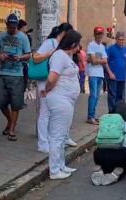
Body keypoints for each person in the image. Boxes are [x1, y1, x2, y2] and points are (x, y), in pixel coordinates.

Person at [44, 30, 82, 180]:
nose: (79, 47)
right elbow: (52, 77)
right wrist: (47, 90)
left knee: (62, 136)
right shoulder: (59, 56)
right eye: (78, 44)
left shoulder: (65, 56)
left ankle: (61, 165)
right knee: (57, 137)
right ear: (72, 43)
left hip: (66, 100)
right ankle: (54, 170)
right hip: (60, 99)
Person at [33, 23, 76, 153]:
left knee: (53, 114)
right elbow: (35, 57)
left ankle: (56, 140)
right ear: (64, 33)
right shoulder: (51, 42)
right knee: (45, 113)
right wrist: (49, 53)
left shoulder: (63, 47)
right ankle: (43, 143)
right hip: (45, 81)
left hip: (55, 84)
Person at [0, 14, 31, 141]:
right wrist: (0, 55)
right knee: (0, 102)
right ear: (6, 25)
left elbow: (28, 55)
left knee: (16, 104)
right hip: (2, 73)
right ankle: (10, 121)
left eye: (14, 27)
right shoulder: (1, 36)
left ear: (17, 26)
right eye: (10, 27)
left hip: (17, 75)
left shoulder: (23, 37)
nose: (12, 30)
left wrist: (19, 57)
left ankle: (12, 129)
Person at [91, 101, 126, 186]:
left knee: (98, 150)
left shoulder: (106, 122)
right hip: (120, 157)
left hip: (100, 155)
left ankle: (100, 170)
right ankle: (115, 175)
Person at [86, 27, 108, 125]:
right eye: (97, 34)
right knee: (93, 95)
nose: (99, 36)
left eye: (101, 34)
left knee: (97, 96)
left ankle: (93, 116)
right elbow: (94, 61)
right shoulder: (91, 45)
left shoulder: (102, 47)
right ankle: (90, 116)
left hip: (100, 74)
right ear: (94, 35)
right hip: (93, 73)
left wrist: (96, 59)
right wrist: (98, 60)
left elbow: (105, 60)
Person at [106, 32, 126, 113]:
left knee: (120, 96)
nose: (121, 41)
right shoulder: (110, 49)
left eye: (123, 40)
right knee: (112, 96)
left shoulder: (125, 50)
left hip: (122, 77)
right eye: (120, 40)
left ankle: (118, 112)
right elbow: (105, 61)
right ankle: (111, 112)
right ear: (116, 39)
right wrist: (110, 73)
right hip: (113, 77)